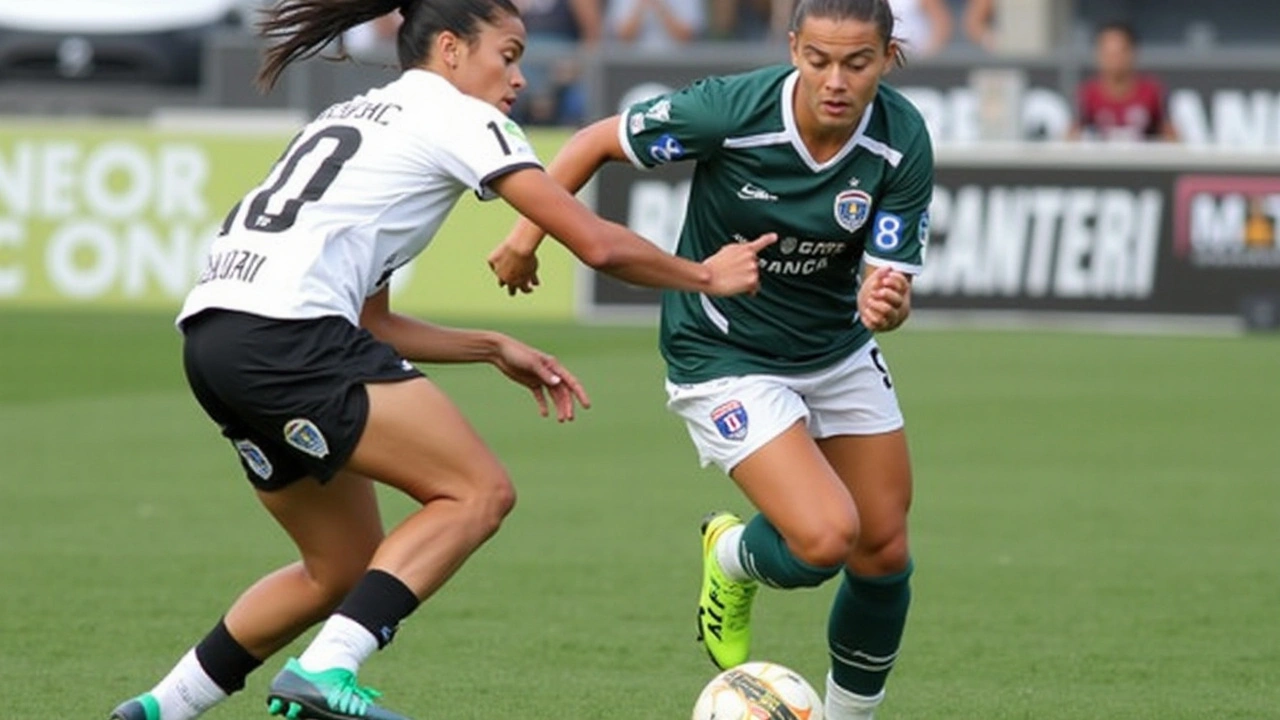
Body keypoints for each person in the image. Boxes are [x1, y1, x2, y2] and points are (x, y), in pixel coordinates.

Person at [106, 1, 776, 719]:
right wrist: (705, 274)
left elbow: (373, 324)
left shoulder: (354, 114)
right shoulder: (457, 115)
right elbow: (597, 244)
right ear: (451, 49)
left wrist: (488, 347)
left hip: (216, 339)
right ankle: (326, 669)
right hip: (287, 335)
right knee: (476, 492)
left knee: (340, 569)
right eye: (507, 54)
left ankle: (159, 708)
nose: (517, 77)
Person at [488, 0, 931, 717]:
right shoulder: (730, 111)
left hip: (835, 348)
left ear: (887, 57)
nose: (836, 80)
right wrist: (524, 236)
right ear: (792, 48)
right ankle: (730, 557)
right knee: (824, 540)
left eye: (857, 62)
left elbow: (891, 279)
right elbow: (594, 142)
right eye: (818, 59)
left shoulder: (902, 137)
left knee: (883, 553)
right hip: (723, 349)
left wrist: (891, 303)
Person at [1069, 21, 1178, 142]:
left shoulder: (1152, 91)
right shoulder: (1087, 93)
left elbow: (1172, 138)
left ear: (1133, 52)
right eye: (1108, 53)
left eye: (1119, 53)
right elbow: (1071, 138)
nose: (1114, 60)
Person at [606, 0, 706, 48]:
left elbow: (686, 36)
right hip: (634, 66)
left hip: (676, 65)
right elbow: (623, 36)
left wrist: (659, 5)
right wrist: (642, 5)